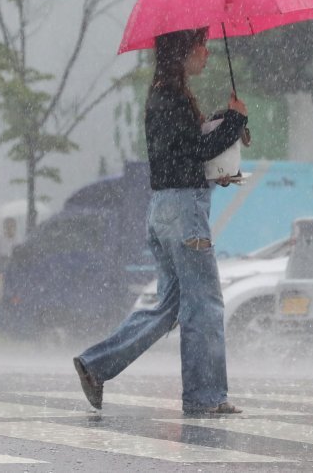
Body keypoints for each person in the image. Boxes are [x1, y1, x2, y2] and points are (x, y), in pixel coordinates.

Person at [73, 28, 248, 415]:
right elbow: (196, 149)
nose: (207, 52)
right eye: (201, 45)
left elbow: (185, 155)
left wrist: (223, 129)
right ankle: (205, 397)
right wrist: (234, 122)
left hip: (166, 209)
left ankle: (96, 365)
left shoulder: (165, 95)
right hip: (184, 213)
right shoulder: (170, 97)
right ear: (184, 51)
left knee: (168, 306)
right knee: (204, 304)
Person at [0, 217, 20, 302]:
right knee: (0, 284)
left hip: (11, 264)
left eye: (12, 227)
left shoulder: (17, 240)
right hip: (0, 262)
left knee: (11, 284)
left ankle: (10, 299)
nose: (10, 229)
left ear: (15, 228)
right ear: (4, 228)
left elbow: (18, 254)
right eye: (7, 227)